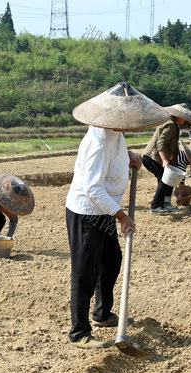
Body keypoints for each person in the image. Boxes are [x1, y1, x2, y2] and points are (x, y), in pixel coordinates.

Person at [66, 82, 169, 349]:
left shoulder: (115, 133)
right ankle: (79, 332)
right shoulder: (97, 143)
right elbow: (92, 189)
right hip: (87, 211)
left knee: (111, 259)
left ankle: (102, 313)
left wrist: (131, 156)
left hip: (105, 208)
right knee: (85, 271)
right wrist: (122, 216)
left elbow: (116, 154)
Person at [142, 103, 191, 213]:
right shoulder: (171, 124)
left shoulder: (171, 122)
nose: (185, 122)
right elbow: (161, 143)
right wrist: (164, 159)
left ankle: (164, 204)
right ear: (180, 117)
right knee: (164, 181)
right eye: (184, 119)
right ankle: (155, 206)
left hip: (152, 157)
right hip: (154, 157)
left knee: (165, 181)